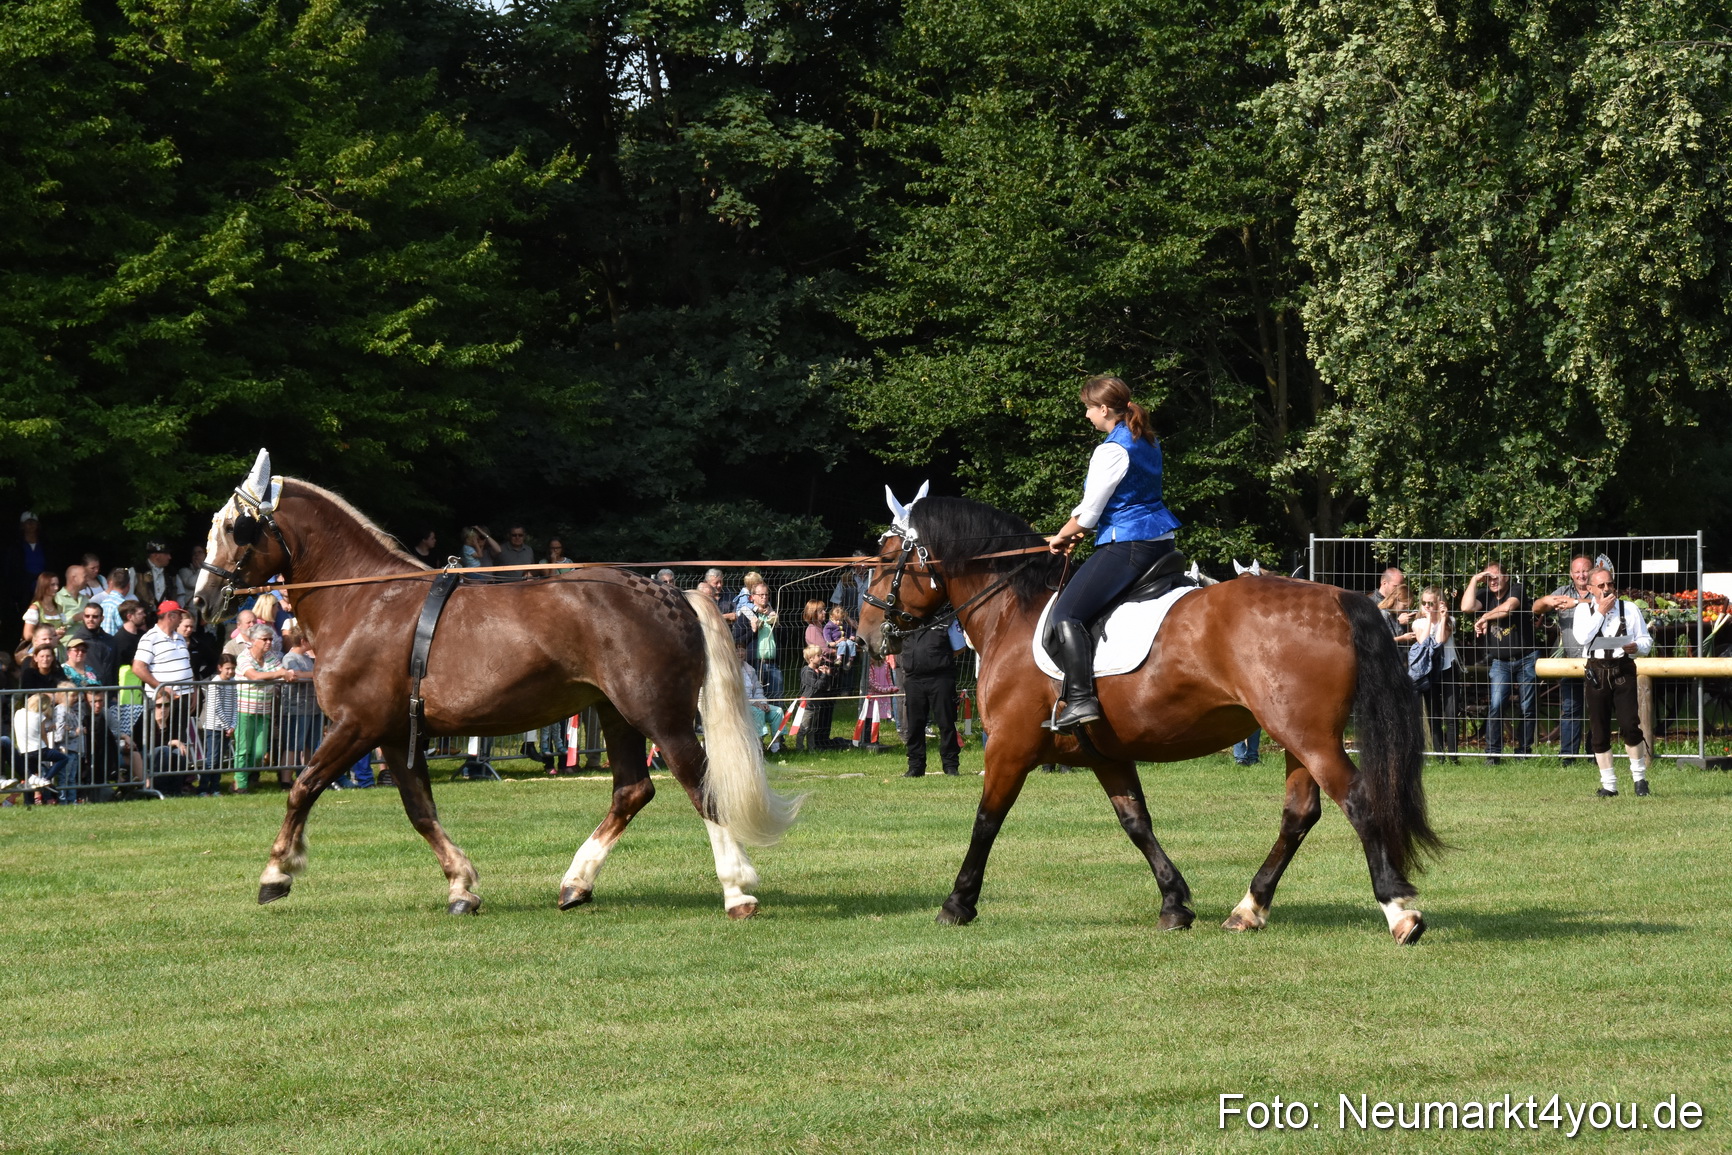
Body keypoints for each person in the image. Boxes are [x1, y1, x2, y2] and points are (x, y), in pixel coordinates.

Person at [1043, 375, 1183, 730]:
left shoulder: (1111, 449)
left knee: (1066, 615)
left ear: (1104, 408)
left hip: (1129, 544)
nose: (1087, 416)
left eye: (1089, 409)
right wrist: (1077, 529)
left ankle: (1080, 700)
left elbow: (1090, 513)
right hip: (1161, 542)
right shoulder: (1146, 440)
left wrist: (1062, 536)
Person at [1573, 567, 1653, 797]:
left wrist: (1637, 647)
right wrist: (1600, 612)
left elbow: (1645, 640)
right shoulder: (1583, 611)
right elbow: (1582, 638)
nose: (1607, 589)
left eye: (1610, 584)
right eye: (1601, 586)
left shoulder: (1629, 608)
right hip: (1597, 672)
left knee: (1630, 724)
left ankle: (1640, 779)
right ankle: (1609, 785)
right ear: (1590, 589)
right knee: (1599, 729)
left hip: (1623, 669)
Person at [1461, 561, 1538, 762]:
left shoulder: (1517, 589)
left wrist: (1484, 617)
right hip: (1500, 662)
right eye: (1488, 578)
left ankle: (1523, 752)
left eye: (1496, 576)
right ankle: (1493, 754)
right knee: (1496, 705)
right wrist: (1474, 580)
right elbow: (1466, 607)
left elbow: (1508, 609)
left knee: (1527, 706)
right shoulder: (1485, 595)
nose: (1492, 581)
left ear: (1506, 576)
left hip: (1526, 658)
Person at [1533, 554, 1595, 758]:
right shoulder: (1562, 592)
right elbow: (1536, 608)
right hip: (1569, 660)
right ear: (1571, 574)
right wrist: (1546, 601)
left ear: (1592, 570)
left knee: (1596, 709)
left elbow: (1606, 603)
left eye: (1585, 570)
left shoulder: (1600, 589)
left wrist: (1575, 602)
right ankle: (1568, 755)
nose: (1581, 575)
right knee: (1570, 709)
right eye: (1577, 571)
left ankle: (1596, 752)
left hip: (1597, 659)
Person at [234, 623, 305, 791]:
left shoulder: (271, 656)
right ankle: (240, 784)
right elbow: (255, 676)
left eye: (271, 639)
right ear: (253, 641)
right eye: (264, 639)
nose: (269, 642)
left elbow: (283, 672)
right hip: (244, 710)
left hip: (264, 709)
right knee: (243, 749)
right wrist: (280, 674)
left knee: (259, 752)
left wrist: (284, 674)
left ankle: (248, 775)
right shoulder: (244, 657)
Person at [899, 617, 966, 776]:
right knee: (914, 725)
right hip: (913, 679)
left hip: (941, 679)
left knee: (946, 723)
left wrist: (941, 660)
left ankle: (950, 765)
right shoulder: (906, 621)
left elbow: (960, 647)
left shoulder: (947, 620)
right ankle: (915, 766)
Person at [1409, 585, 1459, 758]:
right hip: (1429, 671)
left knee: (1451, 714)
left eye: (1432, 603)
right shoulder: (1418, 623)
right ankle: (1440, 755)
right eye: (1425, 603)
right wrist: (1430, 618)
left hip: (1448, 668)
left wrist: (1443, 618)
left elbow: (1441, 640)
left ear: (1440, 603)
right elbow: (1424, 641)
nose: (1428, 607)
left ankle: (1453, 756)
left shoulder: (1450, 620)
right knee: (1434, 714)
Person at [132, 599, 194, 703]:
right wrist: (161, 687)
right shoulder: (150, 638)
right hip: (163, 699)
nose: (181, 618)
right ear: (171, 616)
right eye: (179, 615)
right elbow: (138, 667)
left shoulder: (180, 638)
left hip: (184, 697)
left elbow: (186, 665)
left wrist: (193, 690)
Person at [196, 652, 239, 795]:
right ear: (220, 668)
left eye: (233, 668)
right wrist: (228, 726)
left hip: (227, 728)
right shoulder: (215, 683)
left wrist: (233, 724)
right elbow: (217, 707)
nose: (231, 671)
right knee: (212, 759)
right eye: (228, 668)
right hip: (214, 727)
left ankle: (215, 788)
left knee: (220, 760)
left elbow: (234, 705)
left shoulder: (233, 683)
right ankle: (203, 788)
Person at [280, 628, 320, 773]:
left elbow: (305, 674)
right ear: (303, 641)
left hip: (313, 707)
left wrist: (309, 674)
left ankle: (306, 775)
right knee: (294, 745)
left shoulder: (307, 658)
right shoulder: (289, 658)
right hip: (297, 708)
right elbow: (297, 676)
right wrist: (317, 673)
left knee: (310, 745)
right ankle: (285, 780)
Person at [737, 644, 785, 752]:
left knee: (778, 711)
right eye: (737, 650)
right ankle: (757, 746)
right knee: (758, 712)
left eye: (742, 650)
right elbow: (735, 695)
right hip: (741, 706)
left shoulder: (750, 669)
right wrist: (754, 703)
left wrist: (763, 702)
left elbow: (758, 690)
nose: (740, 653)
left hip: (755, 703)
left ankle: (775, 748)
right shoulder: (729, 671)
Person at [738, 583, 782, 699]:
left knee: (777, 700)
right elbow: (736, 641)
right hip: (753, 665)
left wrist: (777, 625)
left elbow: (783, 640)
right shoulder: (745, 616)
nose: (764, 597)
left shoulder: (772, 615)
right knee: (754, 700)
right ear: (752, 597)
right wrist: (753, 630)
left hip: (773, 665)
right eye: (761, 595)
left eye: (766, 595)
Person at [795, 645, 834, 752]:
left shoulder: (817, 672)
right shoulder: (807, 672)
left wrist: (826, 675)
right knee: (804, 728)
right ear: (811, 658)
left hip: (816, 704)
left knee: (813, 729)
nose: (821, 657)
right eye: (818, 655)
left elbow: (826, 687)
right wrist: (823, 675)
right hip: (808, 704)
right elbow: (816, 685)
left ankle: (811, 748)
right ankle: (799, 749)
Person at [19, 571, 66, 649]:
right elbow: (27, 635)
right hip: (40, 650)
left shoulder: (59, 608)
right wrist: (49, 635)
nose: (56, 588)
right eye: (52, 585)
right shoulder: (35, 608)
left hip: (57, 649)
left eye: (57, 584)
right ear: (44, 586)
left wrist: (61, 633)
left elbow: (62, 628)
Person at [135, 541, 177, 612]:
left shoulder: (171, 573)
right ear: (156, 555)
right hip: (143, 617)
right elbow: (129, 597)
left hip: (167, 617)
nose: (170, 557)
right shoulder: (137, 571)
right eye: (166, 554)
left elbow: (180, 595)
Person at [96, 569, 134, 634]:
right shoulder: (123, 605)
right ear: (128, 585)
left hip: (103, 641)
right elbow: (126, 630)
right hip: (117, 642)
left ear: (112, 583)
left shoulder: (103, 603)